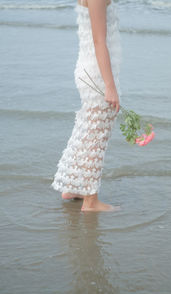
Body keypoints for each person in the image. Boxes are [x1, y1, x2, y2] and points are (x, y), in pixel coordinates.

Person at [51, 0, 122, 212]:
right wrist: (110, 86)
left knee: (86, 130)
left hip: (90, 68)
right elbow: (99, 41)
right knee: (96, 135)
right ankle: (91, 201)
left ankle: (73, 187)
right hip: (97, 74)